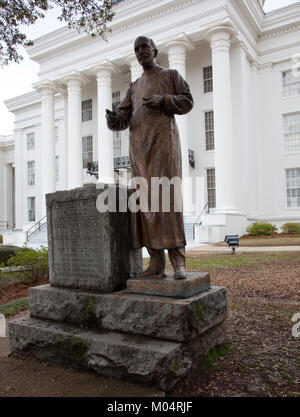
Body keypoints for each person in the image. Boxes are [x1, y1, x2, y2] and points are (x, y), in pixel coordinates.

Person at [106, 36, 194, 279]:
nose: (141, 51)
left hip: (164, 145)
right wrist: (113, 120)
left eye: (144, 47)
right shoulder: (134, 87)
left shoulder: (171, 75)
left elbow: (187, 102)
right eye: (136, 49)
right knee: (144, 203)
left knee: (167, 197)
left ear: (154, 50)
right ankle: (156, 261)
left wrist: (164, 100)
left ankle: (178, 261)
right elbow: (122, 119)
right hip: (139, 150)